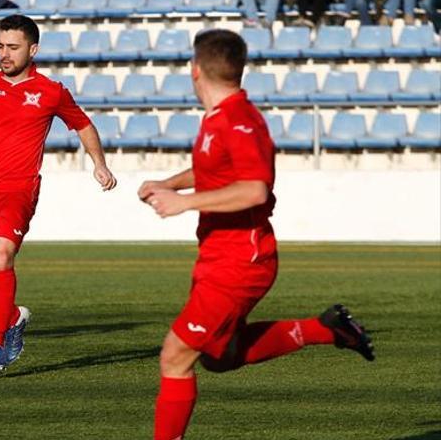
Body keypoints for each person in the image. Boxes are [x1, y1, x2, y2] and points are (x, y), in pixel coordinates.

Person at [139, 29, 375, 440]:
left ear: (195, 71)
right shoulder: (218, 118)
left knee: (175, 356)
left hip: (240, 262)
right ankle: (326, 328)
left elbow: (254, 188)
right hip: (217, 257)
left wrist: (184, 203)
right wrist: (171, 184)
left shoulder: (239, 121)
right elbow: (216, 170)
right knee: (219, 358)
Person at [0, 14, 118, 374]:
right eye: (0, 46)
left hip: (20, 189)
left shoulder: (50, 91)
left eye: (13, 47)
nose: (4, 54)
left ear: (32, 49)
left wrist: (99, 164)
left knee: (2, 256)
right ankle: (12, 317)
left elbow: (83, 124)